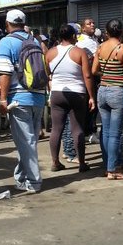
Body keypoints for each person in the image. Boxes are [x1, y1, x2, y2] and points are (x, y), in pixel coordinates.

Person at [0, 9, 46, 193]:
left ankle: (34, 181)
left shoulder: (6, 41)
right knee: (27, 141)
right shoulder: (35, 40)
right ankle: (21, 176)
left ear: (8, 24)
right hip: (38, 96)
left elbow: (5, 72)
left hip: (18, 98)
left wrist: (2, 100)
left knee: (26, 141)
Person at [92, 19, 123, 180]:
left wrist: (107, 74)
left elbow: (94, 70)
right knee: (115, 134)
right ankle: (112, 169)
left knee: (105, 130)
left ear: (107, 31)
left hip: (102, 91)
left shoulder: (100, 47)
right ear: (121, 31)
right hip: (118, 92)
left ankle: (109, 165)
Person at [46, 23, 95, 172]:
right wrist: (91, 96)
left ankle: (55, 162)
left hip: (57, 93)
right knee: (77, 128)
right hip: (77, 94)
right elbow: (87, 75)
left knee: (56, 129)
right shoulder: (79, 52)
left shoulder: (50, 53)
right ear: (74, 36)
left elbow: (48, 73)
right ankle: (81, 163)